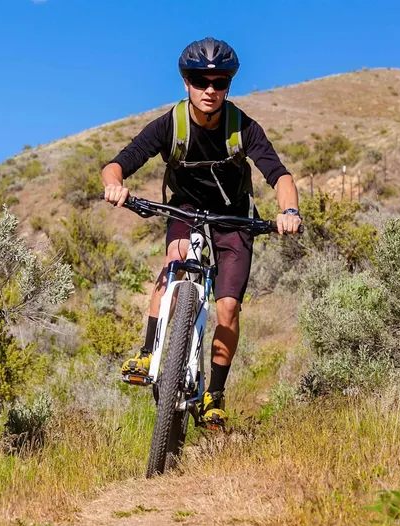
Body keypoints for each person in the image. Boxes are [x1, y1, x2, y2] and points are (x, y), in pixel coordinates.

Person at [101, 37, 302, 429]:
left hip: (234, 214)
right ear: (186, 83)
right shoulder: (170, 125)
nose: (210, 90)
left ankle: (215, 395)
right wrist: (115, 186)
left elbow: (280, 176)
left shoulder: (243, 127)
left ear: (228, 85)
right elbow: (117, 164)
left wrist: (289, 211)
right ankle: (148, 353)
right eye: (200, 81)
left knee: (227, 307)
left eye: (219, 82)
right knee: (175, 260)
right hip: (187, 208)